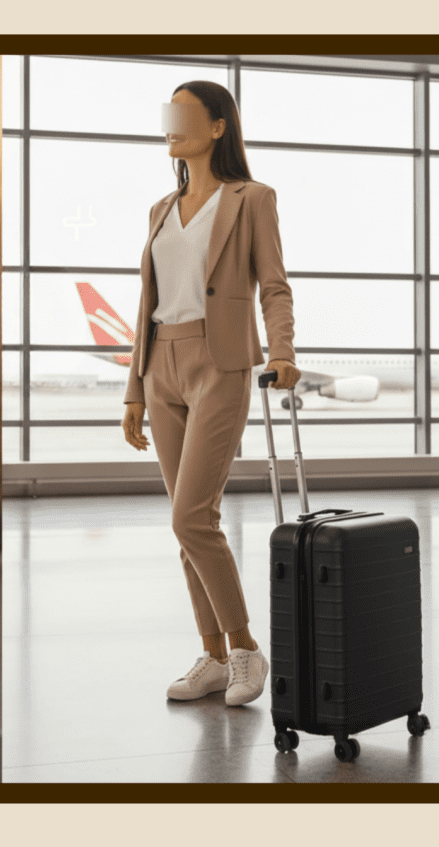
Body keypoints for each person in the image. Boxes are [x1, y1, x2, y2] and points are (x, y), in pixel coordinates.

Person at [120, 81, 302, 707]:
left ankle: (246, 648)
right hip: (159, 367)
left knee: (190, 516)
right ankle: (215, 657)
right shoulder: (159, 209)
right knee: (189, 525)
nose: (170, 125)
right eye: (166, 114)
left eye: (184, 114)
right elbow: (146, 302)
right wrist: (134, 389)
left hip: (219, 362)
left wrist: (282, 351)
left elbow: (274, 285)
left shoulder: (252, 199)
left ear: (219, 126)